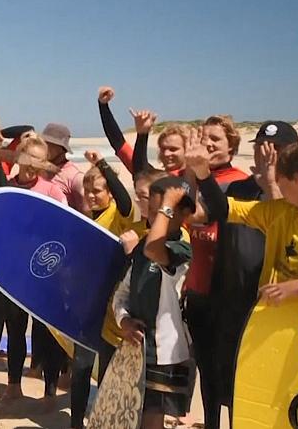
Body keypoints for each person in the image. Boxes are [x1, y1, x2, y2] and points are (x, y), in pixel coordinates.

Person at [209, 121, 298, 413]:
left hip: (278, 311)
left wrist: (272, 185)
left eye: (277, 148)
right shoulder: (237, 189)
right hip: (233, 306)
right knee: (233, 391)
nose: (268, 154)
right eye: (262, 147)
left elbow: (289, 231)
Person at [179, 116, 249, 428]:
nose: (208, 143)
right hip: (197, 289)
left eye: (216, 139)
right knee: (206, 371)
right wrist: (191, 171)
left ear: (231, 146)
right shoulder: (193, 178)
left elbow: (206, 216)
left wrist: (199, 174)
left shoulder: (242, 182)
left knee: (231, 375)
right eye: (204, 137)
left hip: (228, 293)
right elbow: (185, 213)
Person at [0, 136, 67, 406]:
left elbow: (64, 230)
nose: (33, 166)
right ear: (18, 158)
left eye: (39, 161)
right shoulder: (7, 188)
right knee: (16, 327)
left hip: (45, 272)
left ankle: (49, 391)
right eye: (29, 159)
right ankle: (14, 385)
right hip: (15, 271)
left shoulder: (52, 191)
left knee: (47, 332)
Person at [114, 177, 197, 429]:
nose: (155, 217)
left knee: (152, 419)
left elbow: (154, 250)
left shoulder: (181, 250)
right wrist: (124, 320)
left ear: (182, 214)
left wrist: (168, 203)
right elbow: (122, 293)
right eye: (152, 210)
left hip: (166, 352)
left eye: (164, 211)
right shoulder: (142, 246)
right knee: (130, 416)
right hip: (137, 349)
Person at [192, 141, 298, 304]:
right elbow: (223, 209)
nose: (277, 182)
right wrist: (202, 173)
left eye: (279, 177)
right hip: (269, 311)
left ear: (297, 179)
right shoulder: (279, 210)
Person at [70, 150, 137, 428]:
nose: (90, 195)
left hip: (112, 307)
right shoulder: (86, 219)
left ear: (109, 192)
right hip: (88, 306)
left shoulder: (120, 216)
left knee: (109, 372)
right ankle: (76, 423)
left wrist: (102, 165)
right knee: (81, 368)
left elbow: (125, 200)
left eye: (97, 191)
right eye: (87, 190)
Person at [42, 123, 86, 213]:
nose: (45, 147)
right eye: (43, 143)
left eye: (50, 144)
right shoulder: (39, 170)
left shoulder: (75, 177)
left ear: (62, 148)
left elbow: (85, 214)